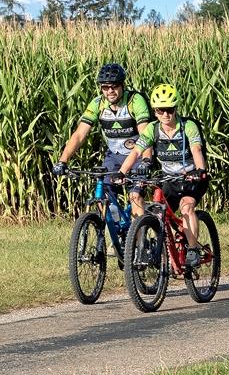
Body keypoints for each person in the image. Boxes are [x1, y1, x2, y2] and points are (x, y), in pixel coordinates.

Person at [118, 84, 209, 267]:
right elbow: (136, 152)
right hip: (169, 179)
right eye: (160, 111)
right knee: (156, 212)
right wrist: (122, 173)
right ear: (155, 111)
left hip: (191, 179)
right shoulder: (153, 129)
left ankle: (192, 250)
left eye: (169, 110)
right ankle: (154, 250)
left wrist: (199, 170)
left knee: (186, 207)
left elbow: (196, 149)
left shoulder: (188, 126)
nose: (165, 115)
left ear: (175, 109)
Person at [53, 62, 152, 217]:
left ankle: (138, 241)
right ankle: (116, 231)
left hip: (137, 156)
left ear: (122, 85)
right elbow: (79, 135)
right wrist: (62, 160)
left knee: (135, 197)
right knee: (102, 196)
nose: (110, 91)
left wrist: (146, 160)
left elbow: (146, 134)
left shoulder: (135, 101)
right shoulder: (98, 104)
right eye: (105, 87)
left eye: (114, 86)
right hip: (114, 155)